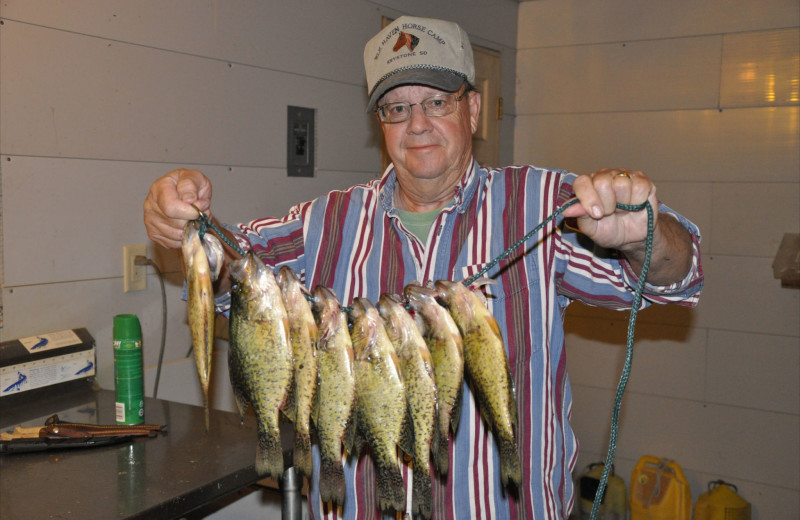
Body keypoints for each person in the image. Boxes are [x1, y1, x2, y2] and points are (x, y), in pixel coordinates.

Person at [144, 16, 703, 520]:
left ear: (473, 108)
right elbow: (233, 275)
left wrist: (642, 237)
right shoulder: (325, 221)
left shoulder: (541, 206)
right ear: (380, 124)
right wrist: (181, 225)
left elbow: (675, 280)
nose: (417, 124)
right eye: (397, 107)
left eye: (437, 101)